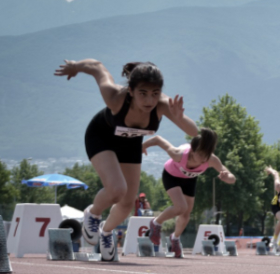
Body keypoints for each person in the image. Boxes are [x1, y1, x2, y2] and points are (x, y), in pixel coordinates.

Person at [55, 59, 200, 261]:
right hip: (101, 137)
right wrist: (76, 67)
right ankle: (93, 213)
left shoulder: (163, 105)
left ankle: (106, 232)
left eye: (155, 93)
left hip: (130, 143)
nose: (149, 100)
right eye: (143, 93)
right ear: (131, 91)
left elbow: (195, 133)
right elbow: (97, 67)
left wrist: (180, 117)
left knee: (127, 202)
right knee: (116, 190)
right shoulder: (115, 97)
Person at [143, 129, 235, 258]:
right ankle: (156, 223)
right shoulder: (178, 154)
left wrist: (227, 177)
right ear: (192, 150)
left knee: (186, 214)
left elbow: (232, 178)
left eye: (207, 155)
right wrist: (142, 146)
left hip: (189, 179)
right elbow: (158, 139)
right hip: (171, 176)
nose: (204, 159)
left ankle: (175, 238)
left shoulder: (211, 159)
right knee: (180, 207)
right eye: (201, 154)